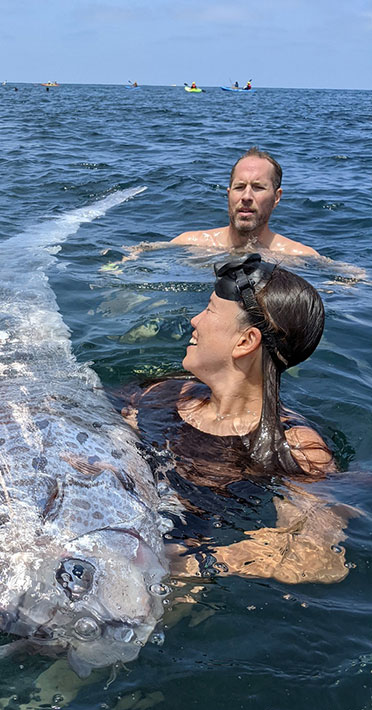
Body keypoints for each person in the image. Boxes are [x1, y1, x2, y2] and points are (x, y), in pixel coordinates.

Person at [121, 254, 350, 584]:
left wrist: (183, 562)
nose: (194, 321)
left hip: (174, 568)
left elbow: (315, 557)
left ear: (245, 342)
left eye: (210, 310)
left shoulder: (295, 447)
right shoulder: (164, 393)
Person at [171, 147, 320, 257]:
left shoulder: (299, 256)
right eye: (239, 187)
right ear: (229, 195)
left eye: (258, 187)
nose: (246, 196)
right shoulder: (189, 245)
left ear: (276, 197)